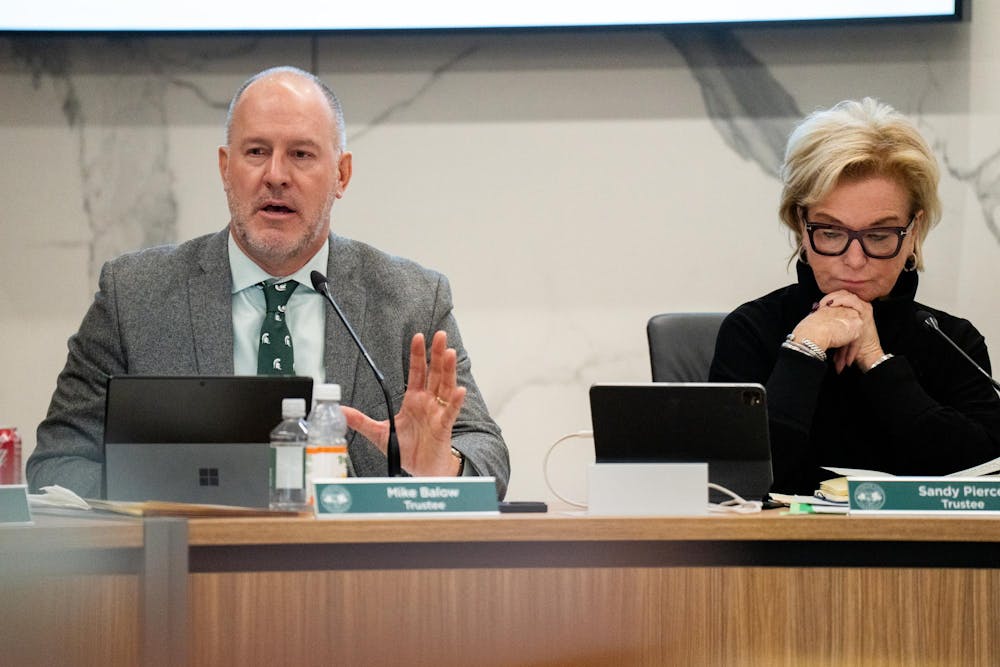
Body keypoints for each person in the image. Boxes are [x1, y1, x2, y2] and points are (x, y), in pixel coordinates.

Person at [27, 66, 509, 499]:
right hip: (183, 576)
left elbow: (486, 453)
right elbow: (57, 463)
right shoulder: (133, 296)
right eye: (257, 151)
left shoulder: (410, 300)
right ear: (225, 167)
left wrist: (440, 467)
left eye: (301, 154)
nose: (275, 176)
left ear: (341, 174)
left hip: (358, 581)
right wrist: (161, 495)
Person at [709, 98, 1000, 495]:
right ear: (800, 225)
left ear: (913, 231)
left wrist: (877, 363)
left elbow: (979, 480)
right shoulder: (752, 331)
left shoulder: (950, 340)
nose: (854, 259)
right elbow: (733, 486)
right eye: (831, 233)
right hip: (779, 554)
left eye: (879, 235)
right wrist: (804, 349)